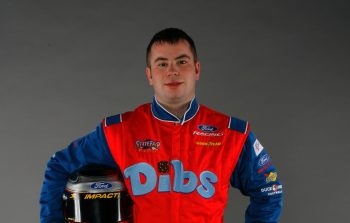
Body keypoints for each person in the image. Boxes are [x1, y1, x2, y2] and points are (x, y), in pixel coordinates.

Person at [40, 28, 283, 223]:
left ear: (196, 69)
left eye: (182, 61)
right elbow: (58, 165)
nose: (172, 71)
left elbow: (269, 192)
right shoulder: (118, 132)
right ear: (149, 75)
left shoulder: (232, 134)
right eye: (162, 64)